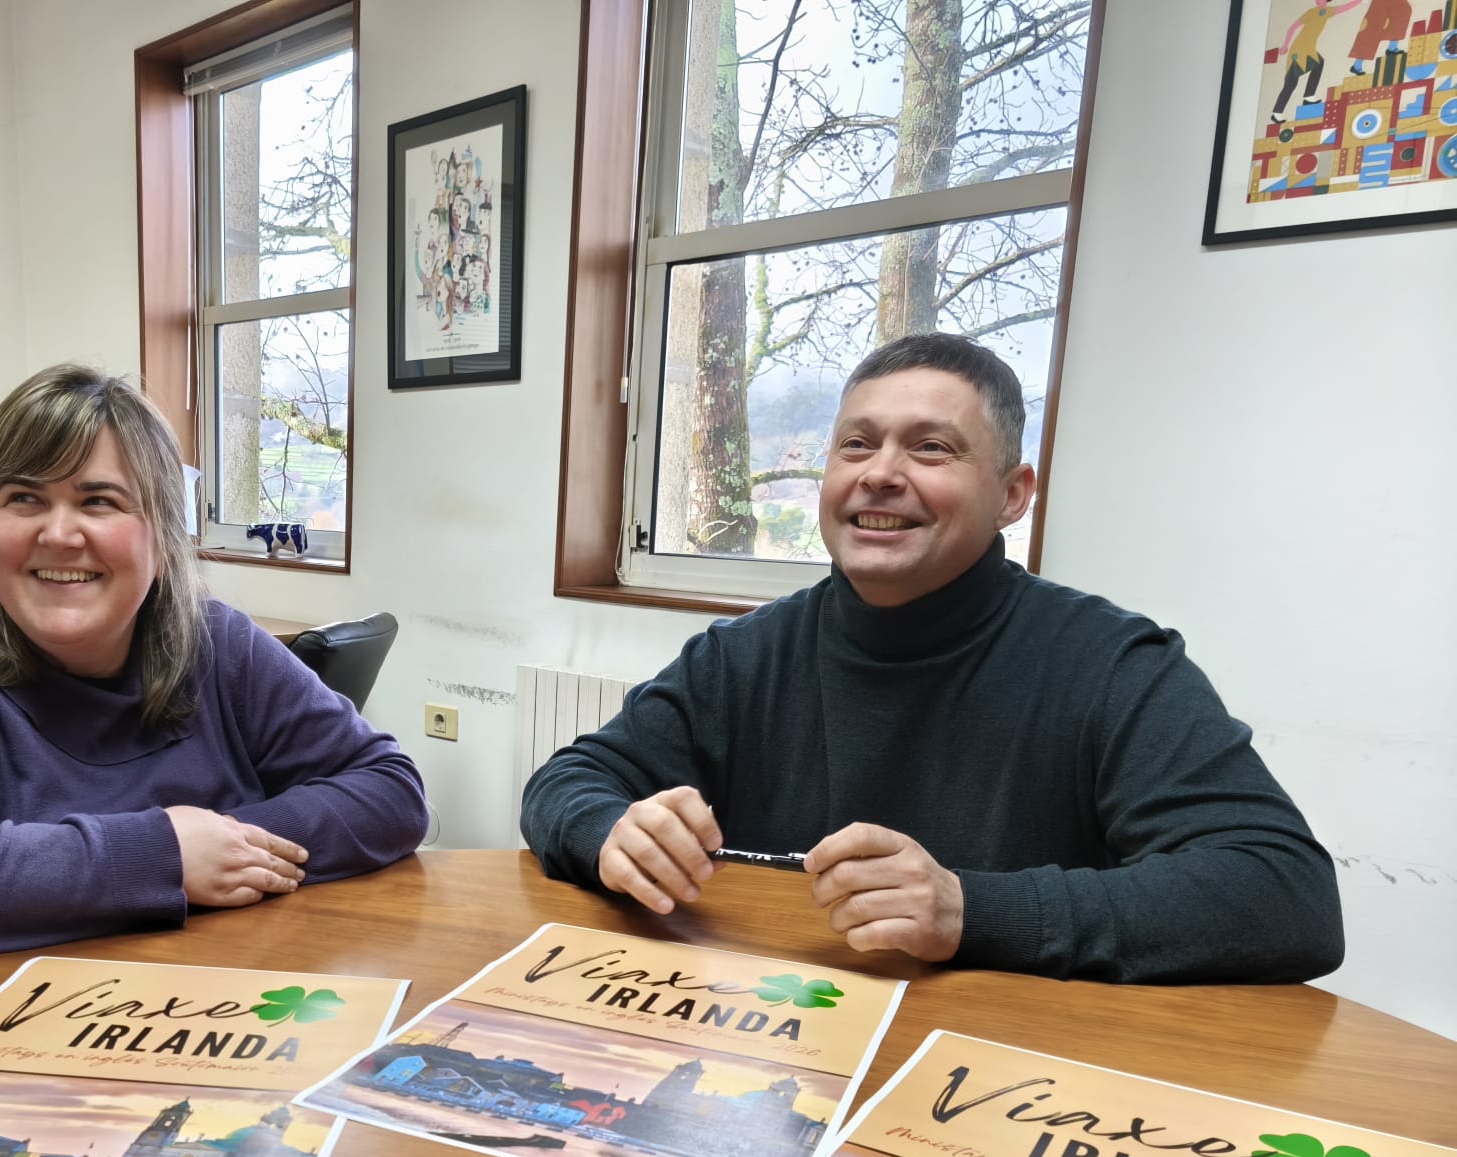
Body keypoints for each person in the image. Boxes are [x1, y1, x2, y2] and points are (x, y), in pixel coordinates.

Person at [520, 333, 1344, 985]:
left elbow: (1282, 893)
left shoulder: (1114, 666)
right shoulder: (742, 656)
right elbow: (565, 782)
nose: (881, 475)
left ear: (1013, 494)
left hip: (1000, 1078)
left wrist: (968, 910)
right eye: (856, 445)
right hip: (779, 1048)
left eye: (931, 449)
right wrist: (610, 832)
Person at [0, 364, 428, 971]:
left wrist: (223, 847)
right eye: (24, 499)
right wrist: (164, 855)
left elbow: (390, 789)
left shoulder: (213, 640)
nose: (59, 533)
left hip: (175, 1007)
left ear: (162, 532)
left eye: (98, 501)